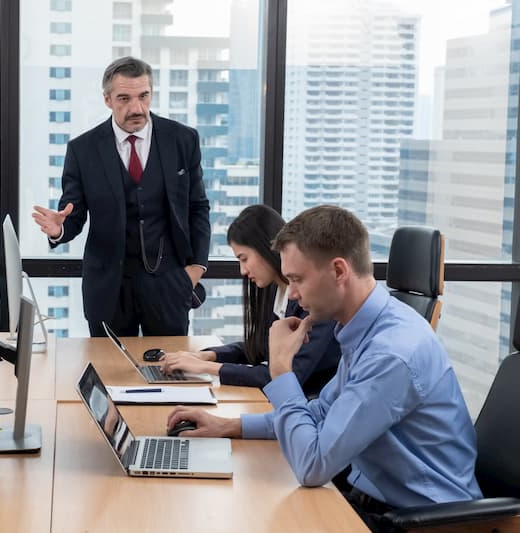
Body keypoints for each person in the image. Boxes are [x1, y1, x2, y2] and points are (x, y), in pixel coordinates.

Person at [166, 206, 481, 528]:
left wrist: (281, 371)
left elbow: (312, 465)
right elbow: (321, 413)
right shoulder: (363, 329)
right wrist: (228, 426)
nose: (293, 293)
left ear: (339, 271)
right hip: (370, 499)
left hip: (422, 522)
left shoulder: (390, 354)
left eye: (297, 279)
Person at [31, 56, 211, 337]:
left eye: (143, 96)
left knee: (172, 373)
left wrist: (196, 269)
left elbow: (198, 207)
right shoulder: (83, 150)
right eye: (124, 98)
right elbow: (73, 214)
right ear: (107, 99)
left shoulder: (183, 140)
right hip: (108, 290)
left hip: (169, 284)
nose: (136, 108)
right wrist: (60, 229)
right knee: (109, 372)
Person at [159, 205, 340, 394]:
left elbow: (284, 376)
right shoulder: (275, 291)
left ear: (265, 247)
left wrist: (205, 367)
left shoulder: (315, 301)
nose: (243, 271)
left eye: (244, 259)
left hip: (311, 406)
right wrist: (207, 355)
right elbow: (260, 347)